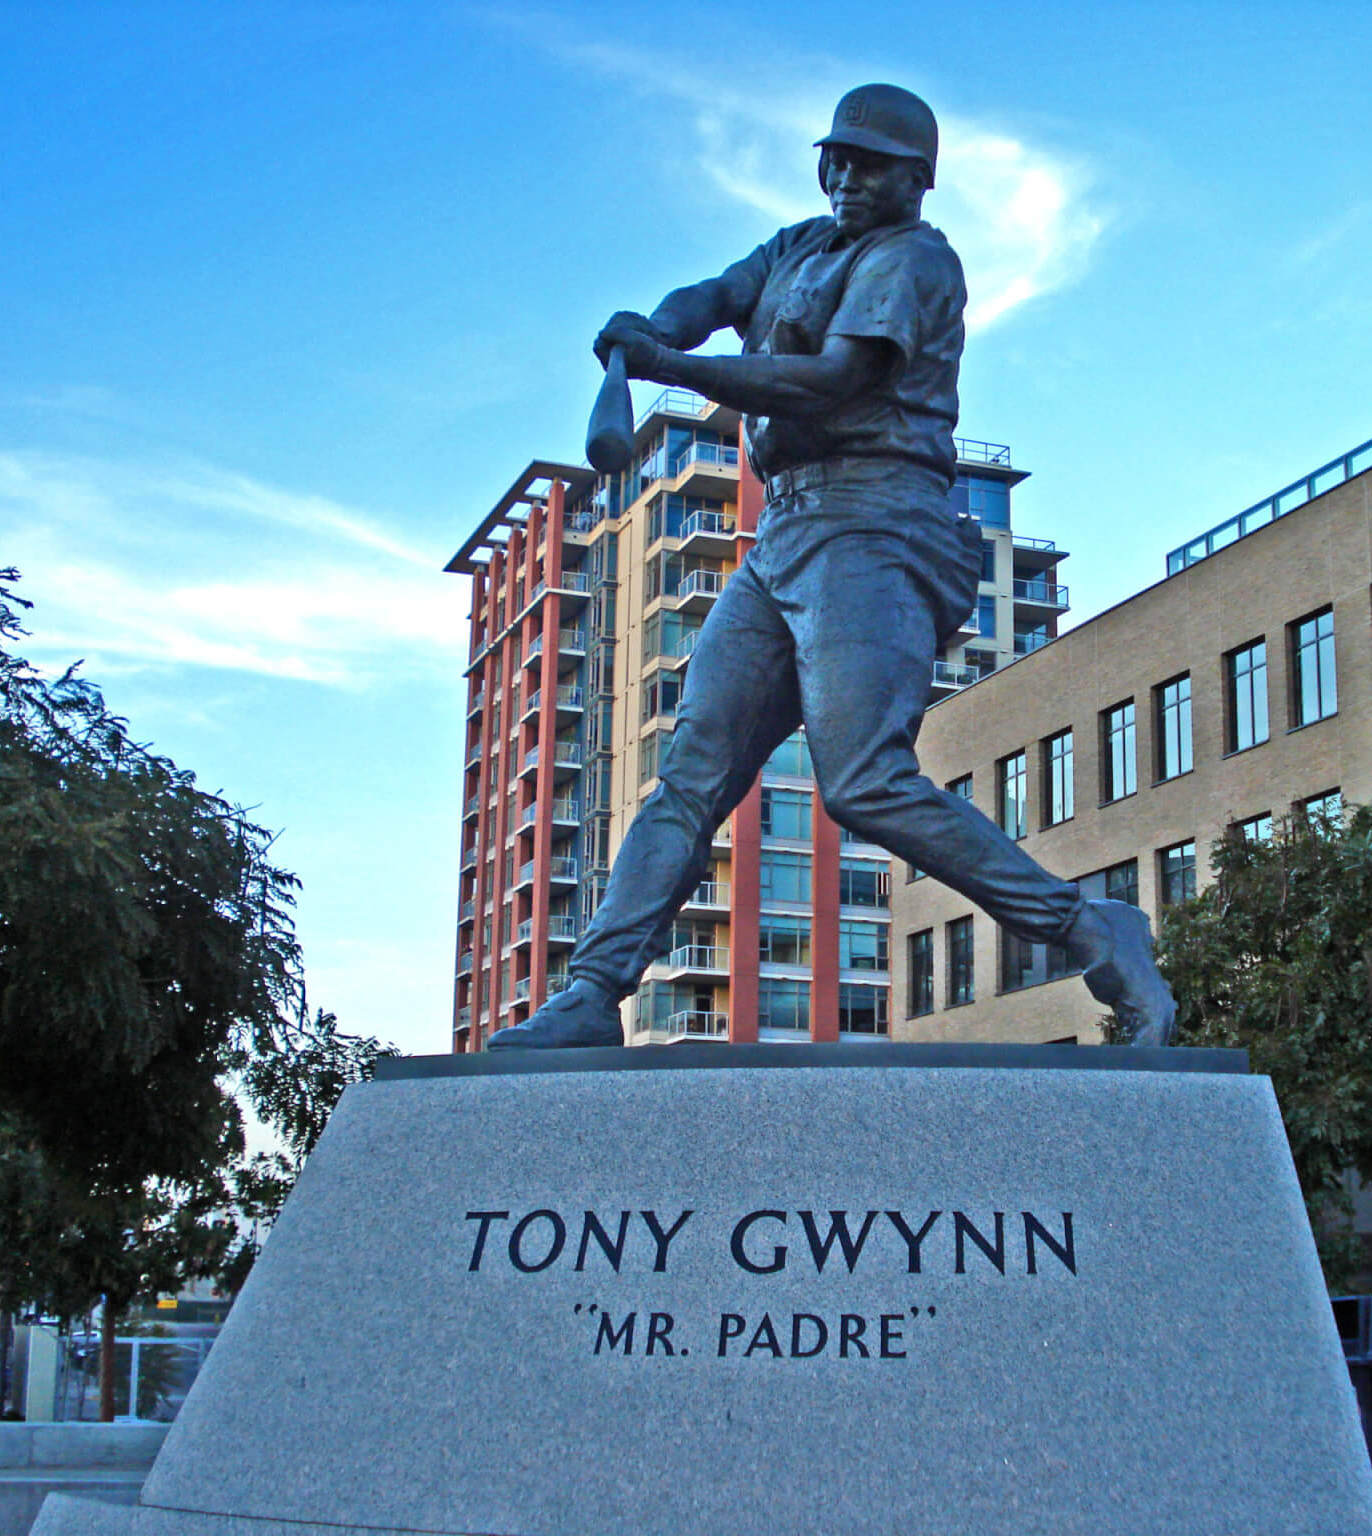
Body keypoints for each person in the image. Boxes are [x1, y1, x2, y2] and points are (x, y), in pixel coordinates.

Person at [490, 83, 1174, 1050]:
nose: (846, 176)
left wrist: (671, 370)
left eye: (869, 163)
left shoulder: (917, 259)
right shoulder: (798, 247)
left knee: (862, 779)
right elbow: (714, 298)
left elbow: (831, 379)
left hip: (880, 521)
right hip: (787, 535)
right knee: (691, 772)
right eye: (836, 158)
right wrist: (652, 327)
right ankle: (594, 992)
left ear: (916, 180)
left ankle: (1093, 931)